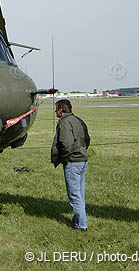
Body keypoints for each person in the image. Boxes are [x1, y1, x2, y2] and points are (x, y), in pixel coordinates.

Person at [51, 99, 90, 231]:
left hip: (73, 162)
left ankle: (81, 225)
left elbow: (66, 144)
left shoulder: (64, 122)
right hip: (83, 160)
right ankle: (77, 220)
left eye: (56, 109)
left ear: (61, 110)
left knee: (74, 195)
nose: (55, 111)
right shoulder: (77, 120)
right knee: (80, 194)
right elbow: (87, 139)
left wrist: (63, 158)